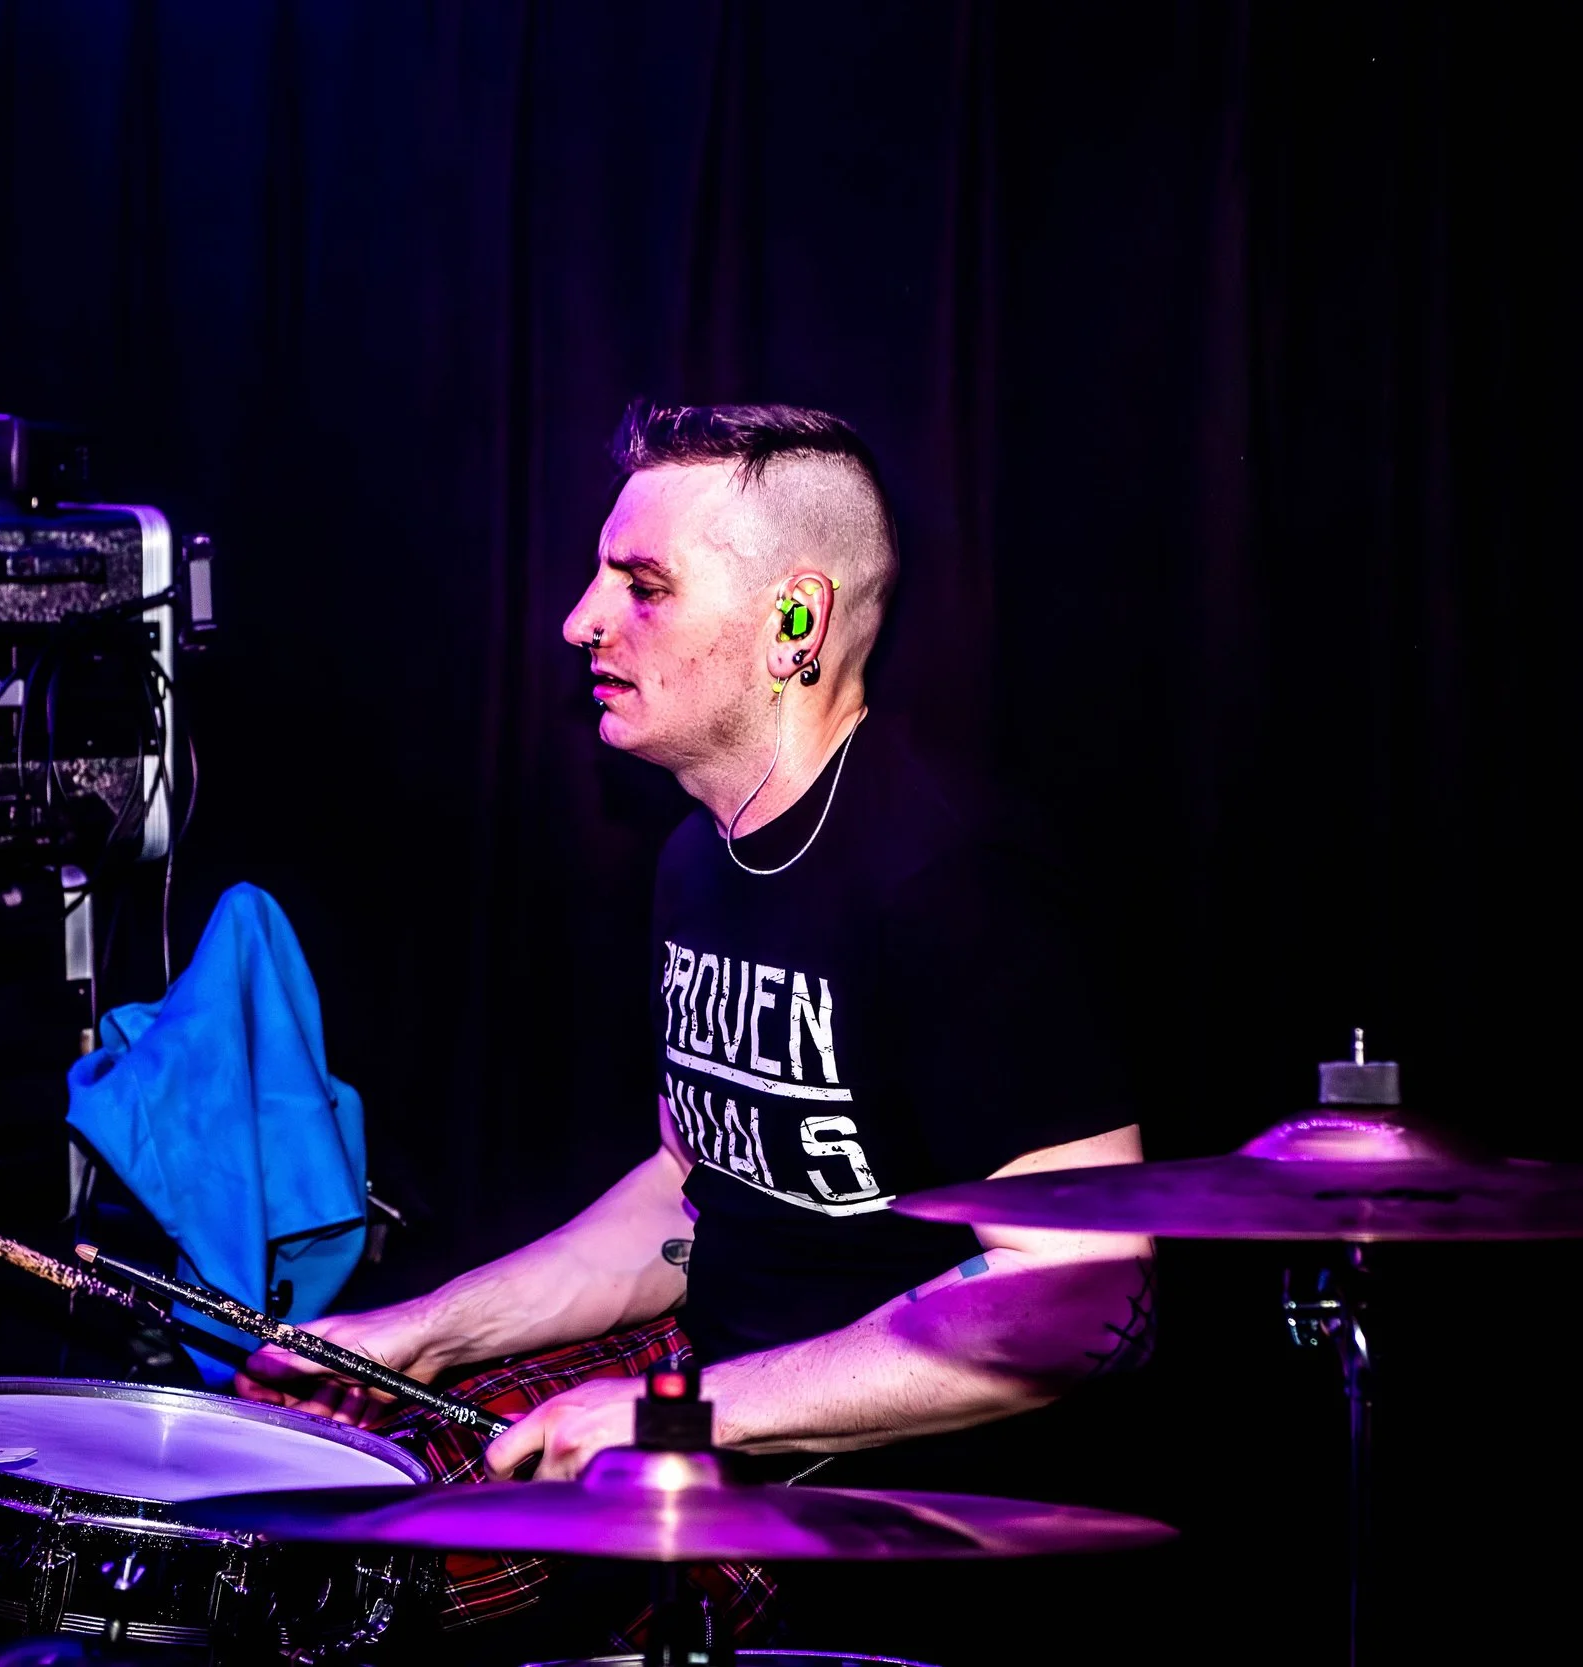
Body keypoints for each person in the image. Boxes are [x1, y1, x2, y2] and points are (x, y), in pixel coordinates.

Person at [238, 401, 1155, 1652]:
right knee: (297, 1516)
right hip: (711, 1385)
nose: (580, 620)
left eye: (643, 584)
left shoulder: (954, 881)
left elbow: (1087, 1293)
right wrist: (423, 1331)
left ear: (795, 623)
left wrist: (681, 1413)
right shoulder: (697, 857)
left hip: (867, 1486)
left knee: (372, 1602)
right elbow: (693, 1193)